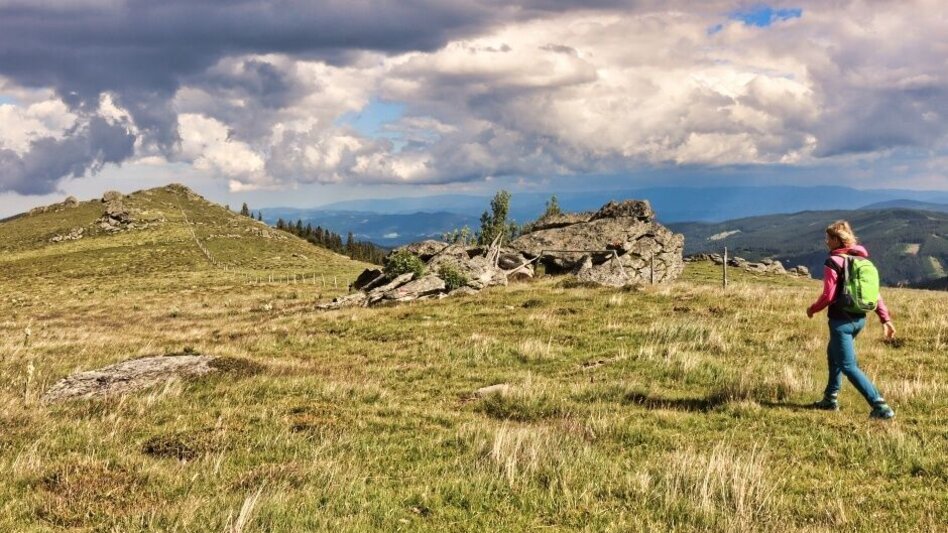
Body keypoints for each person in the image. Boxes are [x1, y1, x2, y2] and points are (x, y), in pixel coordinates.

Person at [806, 220, 896, 419]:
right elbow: (876, 294)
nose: (826, 242)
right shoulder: (863, 263)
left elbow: (828, 296)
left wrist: (812, 309)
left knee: (847, 365)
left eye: (828, 238)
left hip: (841, 322)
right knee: (833, 355)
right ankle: (830, 399)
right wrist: (885, 319)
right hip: (859, 320)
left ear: (837, 240)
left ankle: (880, 406)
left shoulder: (833, 262)